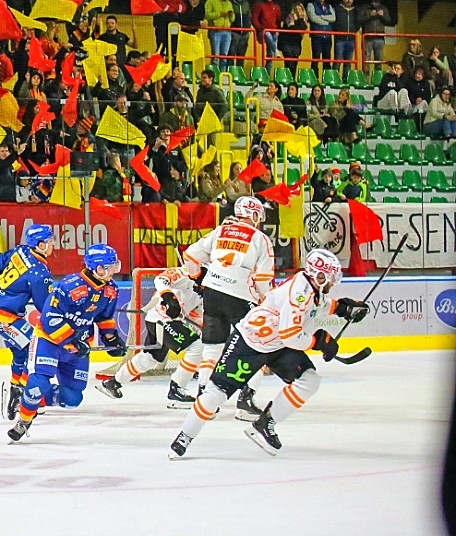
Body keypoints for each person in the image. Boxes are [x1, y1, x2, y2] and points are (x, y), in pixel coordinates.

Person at [169, 249, 370, 458]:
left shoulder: (308, 285)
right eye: (331, 277)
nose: (333, 282)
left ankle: (264, 424)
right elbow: (291, 335)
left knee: (309, 381)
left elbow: (313, 306)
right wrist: (318, 341)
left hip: (276, 345)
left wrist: (341, 308)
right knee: (215, 394)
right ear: (319, 276)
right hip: (248, 344)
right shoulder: (299, 293)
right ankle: (185, 436)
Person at [7, 244, 125, 442]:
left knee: (72, 399)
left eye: (115, 265)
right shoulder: (69, 286)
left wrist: (111, 338)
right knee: (39, 383)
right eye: (110, 266)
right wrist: (71, 340)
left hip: (78, 347)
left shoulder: (111, 290)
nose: (114, 270)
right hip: (50, 340)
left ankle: (29, 397)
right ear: (98, 268)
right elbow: (49, 318)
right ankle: (24, 420)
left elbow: (104, 317)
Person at [182, 195, 275, 421]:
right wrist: (267, 302)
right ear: (254, 214)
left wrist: (198, 277)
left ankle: (204, 398)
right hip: (240, 293)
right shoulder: (260, 238)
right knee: (259, 346)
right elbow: (263, 278)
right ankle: (246, 400)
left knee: (212, 348)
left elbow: (190, 255)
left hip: (212, 290)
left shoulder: (220, 231)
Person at [0, 224, 55, 421]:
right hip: (5, 316)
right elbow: (45, 307)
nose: (54, 244)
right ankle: (23, 396)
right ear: (41, 245)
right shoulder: (40, 273)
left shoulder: (21, 251)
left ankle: (15, 388)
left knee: (20, 351)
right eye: (50, 241)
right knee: (33, 350)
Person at [96, 266, 203, 408]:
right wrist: (168, 297)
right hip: (162, 319)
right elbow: (161, 279)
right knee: (197, 347)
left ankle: (113, 383)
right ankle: (176, 391)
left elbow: (198, 311)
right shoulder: (188, 271)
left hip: (166, 319)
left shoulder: (213, 284)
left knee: (151, 357)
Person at [359, 0, 392, 74]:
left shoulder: (384, 9)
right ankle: (365, 81)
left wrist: (383, 15)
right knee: (366, 61)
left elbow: (389, 21)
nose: (376, 4)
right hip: (367, 38)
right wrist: (370, 15)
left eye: (378, 2)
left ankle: (378, 80)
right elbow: (359, 20)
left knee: (379, 60)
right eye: (374, 1)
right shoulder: (365, 8)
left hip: (379, 38)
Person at [251, 0, 282, 72]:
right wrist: (260, 29)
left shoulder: (276, 7)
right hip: (262, 32)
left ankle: (267, 74)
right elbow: (254, 19)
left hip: (273, 32)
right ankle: (275, 49)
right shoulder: (259, 5)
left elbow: (278, 20)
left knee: (269, 56)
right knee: (267, 33)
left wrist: (278, 30)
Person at [204, 0, 234, 71]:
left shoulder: (229, 3)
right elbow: (207, 15)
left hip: (227, 32)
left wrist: (231, 15)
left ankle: (222, 75)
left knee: (224, 57)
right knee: (216, 56)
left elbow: (232, 20)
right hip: (215, 31)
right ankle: (214, 76)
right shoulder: (210, 1)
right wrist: (220, 14)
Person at [306, 0, 335, 72]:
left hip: (328, 36)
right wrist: (327, 21)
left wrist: (322, 17)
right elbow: (314, 18)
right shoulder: (311, 5)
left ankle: (327, 80)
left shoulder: (328, 6)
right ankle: (314, 80)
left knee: (327, 59)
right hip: (317, 36)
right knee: (316, 58)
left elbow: (333, 18)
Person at [278, 2, 308, 77]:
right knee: (289, 64)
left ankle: (292, 81)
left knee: (294, 64)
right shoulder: (290, 17)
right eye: (296, 9)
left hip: (296, 44)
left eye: (300, 9)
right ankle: (287, 79)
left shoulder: (303, 19)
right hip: (287, 43)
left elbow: (304, 28)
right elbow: (292, 29)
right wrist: (298, 22)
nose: (298, 11)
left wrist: (300, 19)